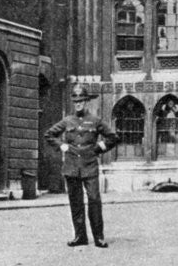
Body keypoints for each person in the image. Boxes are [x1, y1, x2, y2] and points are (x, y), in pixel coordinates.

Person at [45, 82, 117, 248]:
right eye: (76, 101)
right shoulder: (67, 121)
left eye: (81, 101)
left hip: (90, 166)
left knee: (94, 200)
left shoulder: (95, 121)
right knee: (75, 202)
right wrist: (61, 146)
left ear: (86, 102)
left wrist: (98, 148)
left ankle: (98, 237)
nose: (78, 104)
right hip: (71, 167)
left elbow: (113, 137)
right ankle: (80, 236)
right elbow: (49, 134)